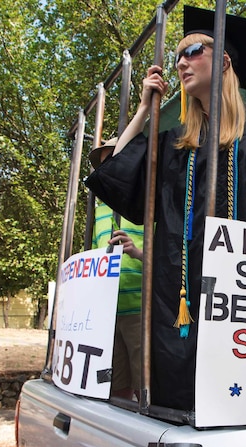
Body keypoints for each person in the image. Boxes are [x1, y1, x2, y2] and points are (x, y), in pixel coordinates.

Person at [85, 6, 246, 410]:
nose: (181, 63)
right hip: (180, 301)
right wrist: (142, 111)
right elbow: (115, 172)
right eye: (178, 56)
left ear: (222, 60)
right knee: (183, 400)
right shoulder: (175, 143)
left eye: (193, 51)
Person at [88, 141, 146, 400]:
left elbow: (170, 261)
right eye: (105, 164)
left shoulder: (148, 206)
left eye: (115, 160)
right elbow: (91, 258)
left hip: (140, 310)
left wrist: (137, 253)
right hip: (108, 312)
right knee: (115, 383)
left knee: (145, 385)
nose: (110, 168)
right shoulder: (98, 212)